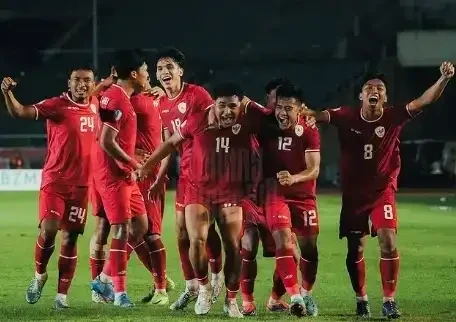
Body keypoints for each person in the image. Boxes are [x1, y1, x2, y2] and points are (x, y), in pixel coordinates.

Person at [301, 62, 454, 319]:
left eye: (380, 88)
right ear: (361, 95)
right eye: (370, 87)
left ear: (384, 96)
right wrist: (307, 113)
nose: (375, 90)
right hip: (353, 196)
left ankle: (389, 301)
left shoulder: (393, 116)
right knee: (355, 250)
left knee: (388, 240)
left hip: (382, 191)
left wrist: (444, 79)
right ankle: (361, 300)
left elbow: (423, 101)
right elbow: (321, 115)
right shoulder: (346, 115)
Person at [137, 82, 273, 317]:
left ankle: (231, 300)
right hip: (198, 190)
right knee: (196, 240)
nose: (228, 111)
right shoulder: (198, 121)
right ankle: (203, 288)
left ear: (240, 106)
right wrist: (147, 166)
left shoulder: (247, 120)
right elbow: (170, 143)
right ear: (214, 105)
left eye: (233, 106)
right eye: (222, 106)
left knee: (233, 246)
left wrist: (250, 103)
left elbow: (272, 118)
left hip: (231, 192)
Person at [1, 66, 98, 309]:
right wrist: (7, 94)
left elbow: (123, 92)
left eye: (87, 80)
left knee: (71, 238)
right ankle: (39, 275)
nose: (82, 85)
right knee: (49, 230)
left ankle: (62, 296)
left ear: (93, 83)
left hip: (82, 186)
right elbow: (21, 112)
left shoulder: (98, 104)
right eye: (77, 80)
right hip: (55, 182)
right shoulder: (57, 105)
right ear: (69, 83)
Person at [154, 47, 223, 309]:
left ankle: (214, 277)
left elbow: (215, 127)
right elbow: (168, 144)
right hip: (185, 174)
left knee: (203, 231)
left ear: (181, 70)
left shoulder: (197, 95)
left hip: (207, 174)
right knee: (182, 232)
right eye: (160, 68)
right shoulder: (161, 103)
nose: (164, 72)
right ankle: (192, 285)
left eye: (169, 66)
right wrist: (160, 176)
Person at [89, 49, 150, 308]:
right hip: (113, 175)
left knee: (141, 227)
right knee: (122, 229)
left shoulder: (115, 95)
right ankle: (119, 294)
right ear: (134, 74)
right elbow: (106, 141)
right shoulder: (117, 99)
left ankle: (103, 278)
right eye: (146, 71)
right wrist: (133, 161)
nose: (149, 75)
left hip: (124, 174)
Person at [260, 84, 321, 316]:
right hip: (275, 193)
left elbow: (314, 169)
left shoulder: (309, 130)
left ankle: (305, 294)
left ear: (300, 109)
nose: (282, 113)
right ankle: (295, 297)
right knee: (284, 241)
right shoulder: (265, 126)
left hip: (304, 196)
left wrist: (294, 178)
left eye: (288, 108)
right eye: (279, 107)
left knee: (310, 252)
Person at [240, 78, 293, 316]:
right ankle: (246, 300)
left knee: (289, 250)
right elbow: (235, 98)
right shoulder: (254, 118)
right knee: (248, 245)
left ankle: (275, 298)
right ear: (268, 101)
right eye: (276, 100)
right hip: (249, 194)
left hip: (274, 195)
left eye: (285, 103)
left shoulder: (290, 127)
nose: (280, 106)